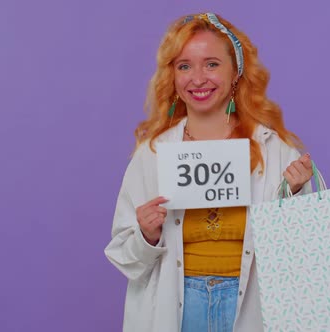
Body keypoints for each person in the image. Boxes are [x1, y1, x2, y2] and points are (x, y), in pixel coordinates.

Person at [105, 13, 314, 332]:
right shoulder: (152, 154)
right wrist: (147, 235)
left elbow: (301, 251)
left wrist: (297, 193)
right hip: (178, 306)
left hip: (252, 307)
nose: (197, 78)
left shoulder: (273, 149)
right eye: (184, 66)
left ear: (236, 73)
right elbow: (124, 257)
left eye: (212, 64)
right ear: (172, 76)